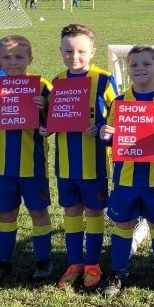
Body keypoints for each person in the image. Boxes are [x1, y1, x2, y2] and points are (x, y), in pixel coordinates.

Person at [99, 46, 154, 298]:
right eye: (134, 64)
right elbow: (111, 136)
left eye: (146, 64)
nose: (140, 69)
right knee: (122, 224)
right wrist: (105, 136)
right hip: (125, 178)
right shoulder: (118, 102)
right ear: (127, 69)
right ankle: (117, 271)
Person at [47, 23, 118, 291]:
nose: (74, 57)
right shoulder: (57, 81)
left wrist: (101, 128)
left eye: (80, 51)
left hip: (94, 163)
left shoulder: (103, 80)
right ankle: (75, 263)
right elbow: (55, 116)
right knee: (71, 211)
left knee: (94, 211)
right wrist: (46, 124)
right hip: (65, 163)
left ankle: (93, 263)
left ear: (93, 52)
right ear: (61, 51)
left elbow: (118, 114)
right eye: (68, 51)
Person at [0, 35, 54, 283]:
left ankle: (43, 261)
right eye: (7, 57)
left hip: (33, 164)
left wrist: (44, 105)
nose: (13, 62)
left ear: (30, 59)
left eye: (20, 57)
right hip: (4, 166)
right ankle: (3, 261)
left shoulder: (41, 85)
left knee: (39, 212)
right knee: (7, 214)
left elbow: (53, 123)